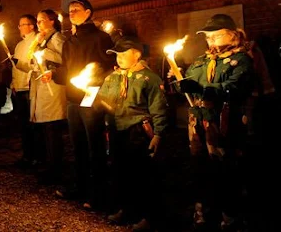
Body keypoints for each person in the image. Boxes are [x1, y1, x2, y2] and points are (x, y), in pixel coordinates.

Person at [174, 14, 254, 230]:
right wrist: (178, 85)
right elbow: (189, 80)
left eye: (216, 36)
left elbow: (235, 87)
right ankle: (203, 210)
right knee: (200, 167)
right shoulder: (202, 61)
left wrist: (203, 89)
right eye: (208, 37)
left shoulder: (242, 60)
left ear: (233, 35)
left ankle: (230, 215)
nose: (211, 41)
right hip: (198, 123)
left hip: (223, 122)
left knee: (225, 168)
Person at [52, 0, 115, 210]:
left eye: (76, 9)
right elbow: (67, 69)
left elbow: (108, 67)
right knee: (77, 145)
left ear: (88, 12)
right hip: (73, 99)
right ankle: (80, 185)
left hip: (92, 98)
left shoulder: (101, 38)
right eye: (70, 10)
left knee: (94, 146)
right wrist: (53, 73)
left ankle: (98, 192)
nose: (72, 13)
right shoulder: (69, 41)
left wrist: (93, 79)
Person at [100, 36, 168, 231]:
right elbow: (105, 99)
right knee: (121, 171)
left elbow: (159, 107)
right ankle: (126, 209)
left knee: (142, 174)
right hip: (117, 129)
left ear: (136, 55)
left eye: (123, 54)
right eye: (116, 54)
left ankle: (149, 215)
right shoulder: (113, 77)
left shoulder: (149, 79)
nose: (119, 58)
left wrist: (158, 134)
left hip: (137, 130)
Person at [30, 9, 68, 185]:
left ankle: (56, 168)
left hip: (53, 87)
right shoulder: (42, 40)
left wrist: (45, 53)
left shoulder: (58, 38)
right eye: (37, 21)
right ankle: (49, 164)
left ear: (52, 21)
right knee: (46, 129)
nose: (38, 24)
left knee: (53, 129)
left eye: (41, 20)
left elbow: (65, 59)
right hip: (43, 85)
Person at [10, 14, 39, 168]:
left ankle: (36, 156)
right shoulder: (19, 45)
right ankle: (26, 154)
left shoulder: (36, 42)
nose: (20, 27)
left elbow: (32, 66)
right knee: (23, 125)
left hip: (29, 88)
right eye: (19, 25)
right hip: (19, 88)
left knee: (32, 125)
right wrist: (13, 83)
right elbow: (15, 68)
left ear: (32, 26)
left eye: (23, 24)